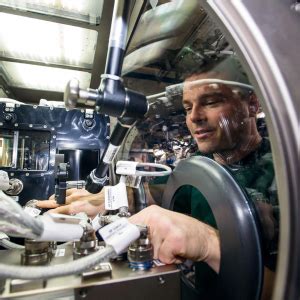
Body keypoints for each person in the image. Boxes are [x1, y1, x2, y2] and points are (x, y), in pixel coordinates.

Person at [37, 57, 277, 297]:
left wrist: (207, 243)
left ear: (253, 105)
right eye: (187, 108)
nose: (194, 117)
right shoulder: (199, 164)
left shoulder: (284, 174)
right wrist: (106, 199)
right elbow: (154, 193)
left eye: (211, 102)